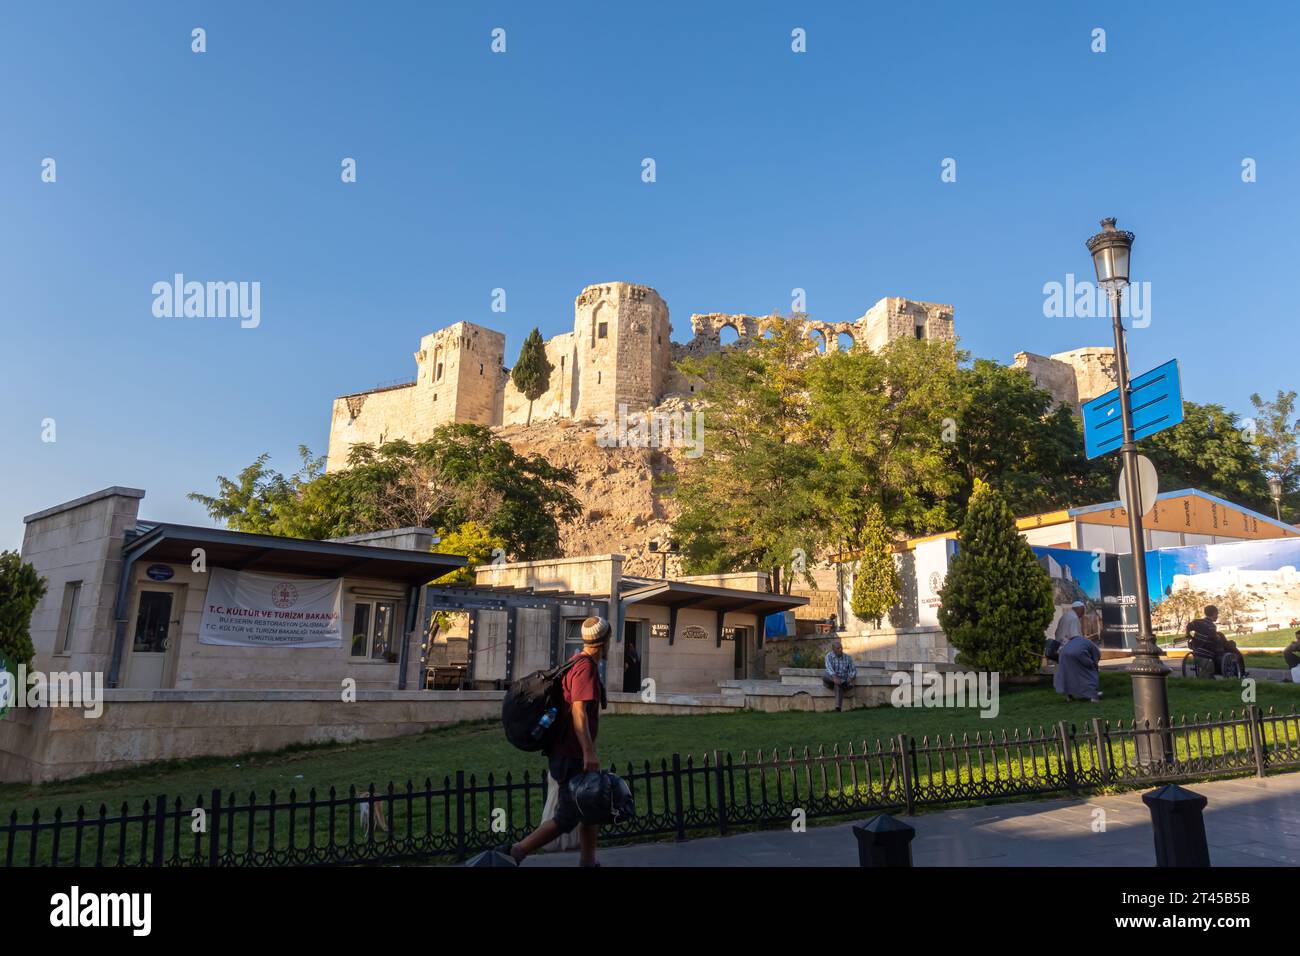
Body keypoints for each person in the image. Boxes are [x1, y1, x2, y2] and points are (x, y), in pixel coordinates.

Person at [498, 616, 609, 866]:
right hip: (571, 753)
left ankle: (588, 862)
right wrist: (589, 752)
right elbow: (579, 712)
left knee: (590, 806)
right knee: (568, 815)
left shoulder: (575, 663)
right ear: (606, 641)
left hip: (568, 751)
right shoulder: (585, 668)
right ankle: (516, 851)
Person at [1186, 605, 1247, 678]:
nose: (1217, 616)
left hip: (1196, 648)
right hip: (1208, 650)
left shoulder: (1197, 622)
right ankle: (1242, 672)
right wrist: (1222, 640)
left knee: (1221, 635)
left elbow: (1188, 627)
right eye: (1217, 614)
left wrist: (1188, 636)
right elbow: (1214, 639)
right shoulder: (1211, 626)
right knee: (1232, 646)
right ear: (1214, 614)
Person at [1054, 621, 1101, 703]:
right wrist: (1094, 667)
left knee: (1068, 674)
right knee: (1090, 674)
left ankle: (1069, 696)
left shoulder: (1074, 641)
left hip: (1063, 654)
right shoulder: (1092, 645)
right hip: (1077, 653)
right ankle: (1093, 696)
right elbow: (1095, 658)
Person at [822, 637, 857, 712]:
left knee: (838, 685)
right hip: (830, 680)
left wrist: (850, 677)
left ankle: (838, 707)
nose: (840, 649)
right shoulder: (829, 656)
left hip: (840, 681)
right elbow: (829, 668)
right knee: (825, 675)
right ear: (833, 649)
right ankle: (843, 683)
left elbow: (853, 670)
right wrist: (834, 677)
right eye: (838, 648)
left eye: (841, 648)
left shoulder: (847, 657)